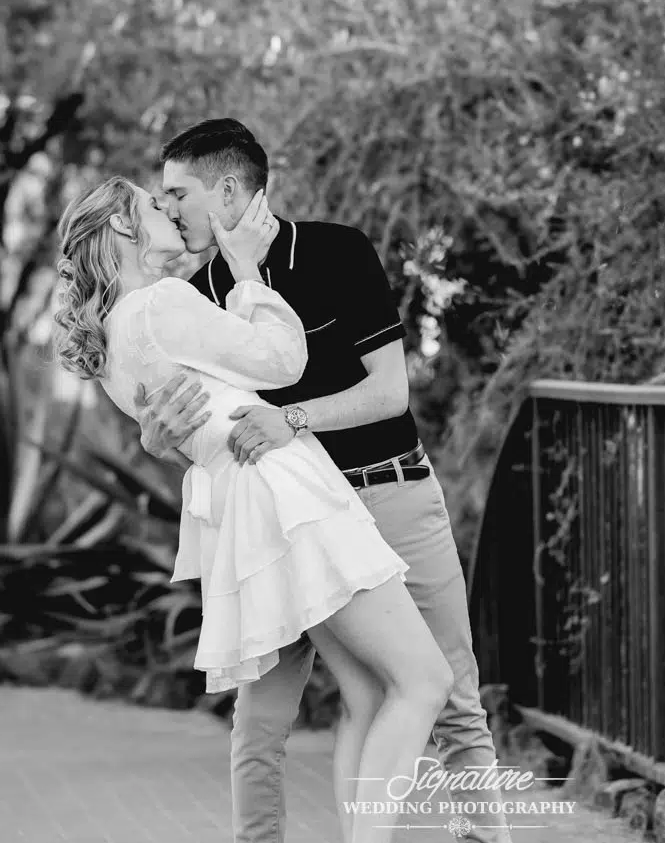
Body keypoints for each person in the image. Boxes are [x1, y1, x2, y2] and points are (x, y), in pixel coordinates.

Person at [138, 119, 508, 843]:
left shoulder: (338, 252)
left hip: (391, 494)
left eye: (177, 193)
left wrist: (293, 419)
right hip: (289, 523)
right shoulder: (201, 295)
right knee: (259, 724)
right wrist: (158, 438)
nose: (168, 207)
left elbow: (390, 391)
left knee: (452, 697)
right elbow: (210, 434)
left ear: (229, 189)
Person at [53, 176, 452, 843]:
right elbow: (283, 360)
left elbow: (187, 433)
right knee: (425, 681)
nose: (169, 212)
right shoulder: (160, 303)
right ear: (121, 228)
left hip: (249, 504)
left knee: (368, 695)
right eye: (153, 205)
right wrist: (244, 268)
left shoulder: (114, 344)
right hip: (287, 491)